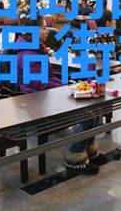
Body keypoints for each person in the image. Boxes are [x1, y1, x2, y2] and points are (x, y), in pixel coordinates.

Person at [15, 17, 106, 176]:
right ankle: (74, 156)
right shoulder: (27, 55)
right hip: (38, 102)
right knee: (87, 116)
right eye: (43, 28)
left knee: (95, 109)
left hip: (49, 96)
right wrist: (65, 89)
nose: (47, 31)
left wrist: (67, 86)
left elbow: (49, 79)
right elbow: (39, 85)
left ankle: (88, 149)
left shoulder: (37, 49)